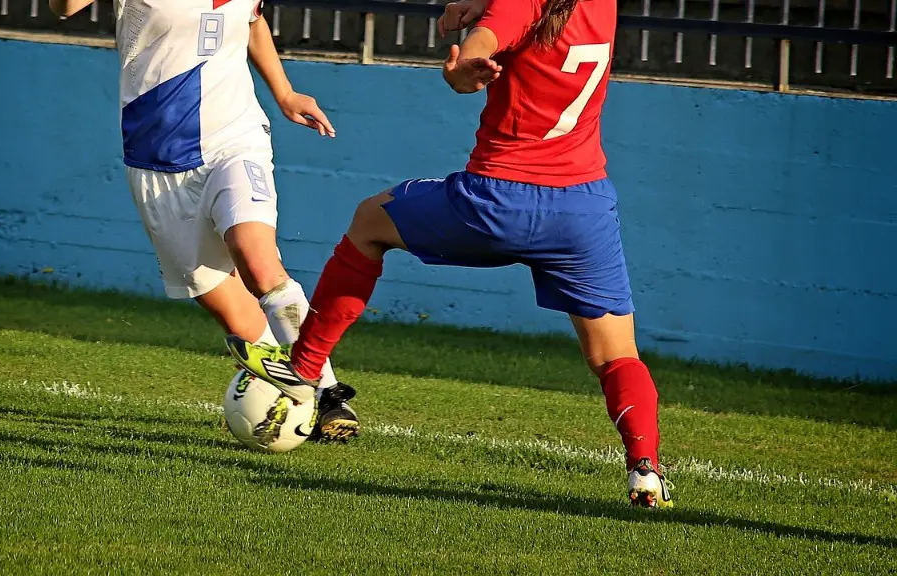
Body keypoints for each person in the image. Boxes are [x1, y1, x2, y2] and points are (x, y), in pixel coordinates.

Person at [226, 0, 674, 506]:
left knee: (370, 222)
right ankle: (645, 469)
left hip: (499, 200)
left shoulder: (519, 3)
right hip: (582, 210)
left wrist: (465, 69)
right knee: (615, 355)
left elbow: (482, 48)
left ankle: (306, 368)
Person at [47, 0, 359, 441]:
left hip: (235, 140)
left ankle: (327, 395)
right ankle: (290, 406)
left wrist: (285, 93)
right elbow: (63, 8)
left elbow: (252, 19)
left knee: (258, 262)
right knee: (239, 321)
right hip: (156, 161)